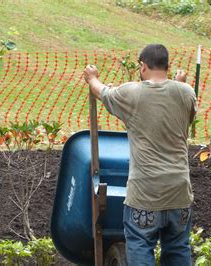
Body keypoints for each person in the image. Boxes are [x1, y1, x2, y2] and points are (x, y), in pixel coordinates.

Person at [83, 44, 197, 266]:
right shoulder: (186, 92)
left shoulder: (131, 93)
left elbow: (102, 92)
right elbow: (179, 111)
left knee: (140, 245)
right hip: (179, 194)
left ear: (143, 66)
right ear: (168, 66)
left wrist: (92, 77)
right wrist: (180, 81)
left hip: (145, 195)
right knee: (177, 249)